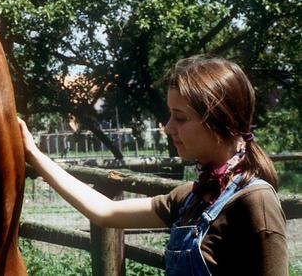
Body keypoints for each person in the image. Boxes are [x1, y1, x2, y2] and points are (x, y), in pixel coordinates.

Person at [19, 56, 287, 275]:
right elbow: (105, 211)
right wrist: (35, 154)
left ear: (218, 121)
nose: (168, 128)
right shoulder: (190, 198)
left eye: (180, 117)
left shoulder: (255, 202)